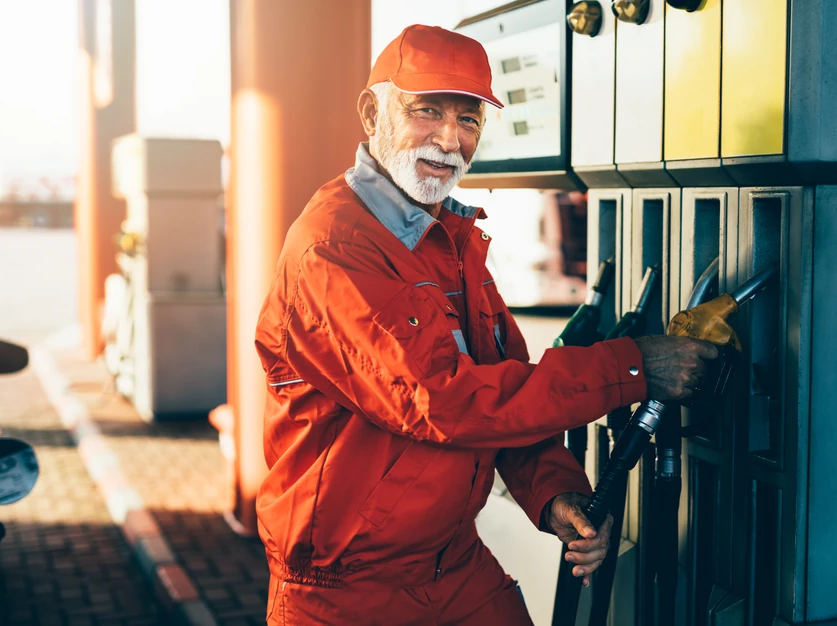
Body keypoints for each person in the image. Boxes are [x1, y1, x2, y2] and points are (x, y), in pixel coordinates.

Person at [254, 24, 717, 625]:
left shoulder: (450, 239)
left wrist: (554, 494)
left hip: (453, 566)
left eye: (468, 120)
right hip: (346, 591)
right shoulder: (335, 247)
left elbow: (504, 384)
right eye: (427, 111)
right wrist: (632, 365)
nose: (450, 139)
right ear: (373, 114)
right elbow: (440, 400)